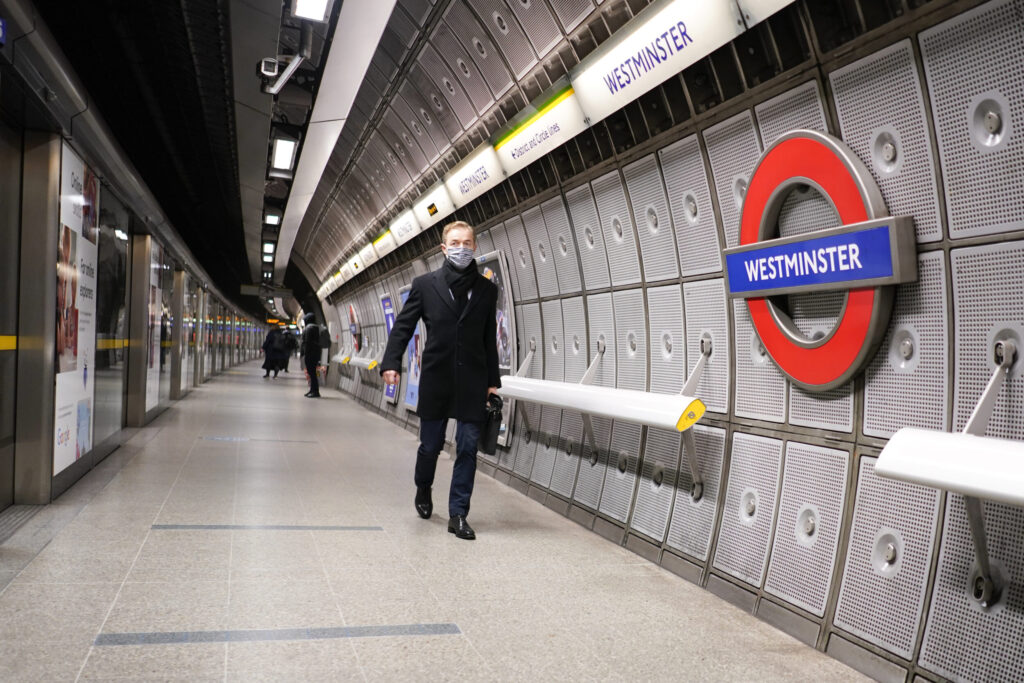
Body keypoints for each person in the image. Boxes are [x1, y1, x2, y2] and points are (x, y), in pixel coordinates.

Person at [380, 220, 500, 540]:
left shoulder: (488, 290)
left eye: (468, 242)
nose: (462, 247)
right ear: (444, 249)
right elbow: (403, 327)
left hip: (473, 381)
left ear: (475, 246)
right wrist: (391, 362)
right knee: (430, 445)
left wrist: (492, 381)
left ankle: (458, 514)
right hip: (436, 378)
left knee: (467, 449)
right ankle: (423, 487)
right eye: (456, 242)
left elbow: (490, 339)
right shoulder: (425, 285)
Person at [300, 313, 322, 398]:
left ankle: (315, 391)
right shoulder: (316, 328)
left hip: (310, 354)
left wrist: (305, 353)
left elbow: (307, 343)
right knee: (312, 373)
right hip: (314, 353)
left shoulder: (309, 329)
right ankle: (312, 390)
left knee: (312, 373)